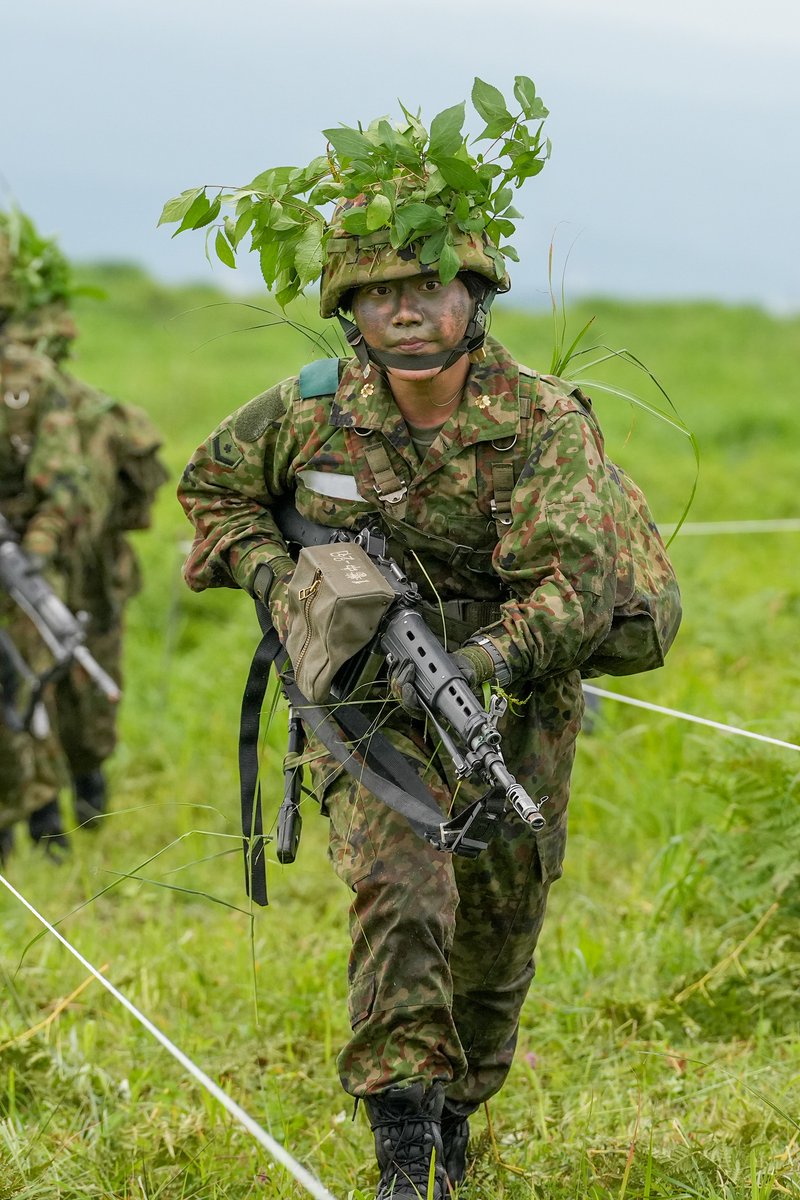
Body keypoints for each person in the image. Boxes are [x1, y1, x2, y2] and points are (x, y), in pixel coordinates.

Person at [176, 138, 627, 1193]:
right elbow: (214, 489)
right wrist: (280, 582)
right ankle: (401, 1144)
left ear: (474, 294)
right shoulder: (310, 406)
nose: (407, 312)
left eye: (429, 288)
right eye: (379, 296)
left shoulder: (543, 422)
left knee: (496, 923)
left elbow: (573, 587)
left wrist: (479, 659)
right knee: (401, 887)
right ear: (348, 312)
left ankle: (460, 1106)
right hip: (365, 702)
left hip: (509, 696)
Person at [0, 208, 166, 859]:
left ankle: (50, 814)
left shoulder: (32, 385)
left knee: (46, 689)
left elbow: (65, 483)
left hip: (37, 560)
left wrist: (32, 556)